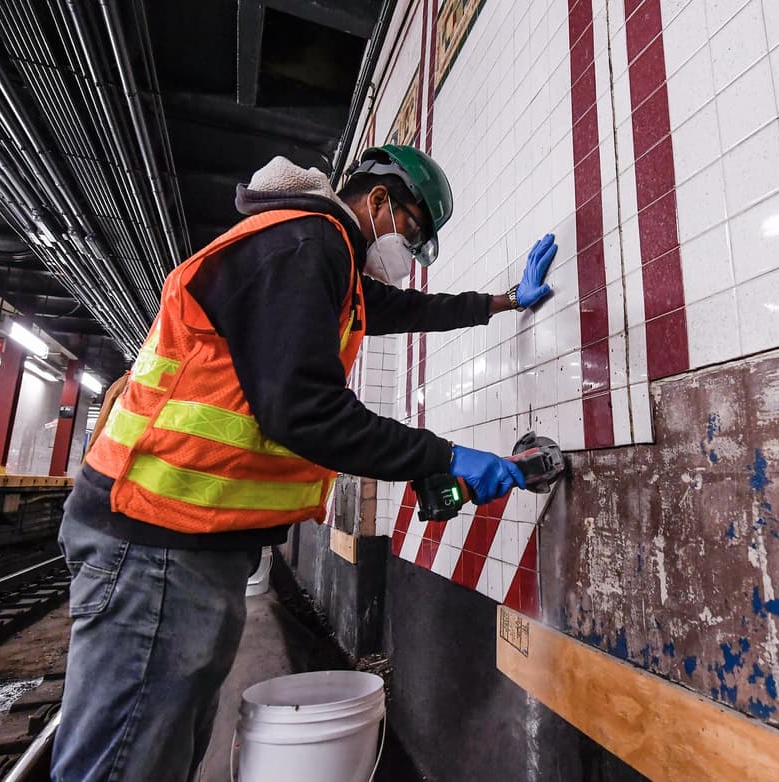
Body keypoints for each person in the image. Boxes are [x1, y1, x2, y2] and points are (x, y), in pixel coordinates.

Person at [51, 145, 558, 782]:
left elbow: (408, 311)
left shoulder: (322, 256)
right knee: (129, 759)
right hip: (155, 536)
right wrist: (445, 455)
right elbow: (305, 412)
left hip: (181, 540)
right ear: (379, 201)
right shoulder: (305, 244)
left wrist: (506, 301)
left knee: (160, 748)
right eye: (414, 231)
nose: (410, 252)